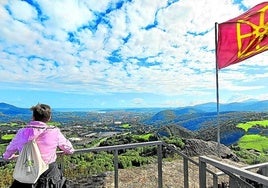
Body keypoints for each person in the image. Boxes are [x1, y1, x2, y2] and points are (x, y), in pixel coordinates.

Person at [3, 103, 74, 188]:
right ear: (49, 118)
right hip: (49, 175)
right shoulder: (54, 131)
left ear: (33, 117)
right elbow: (69, 149)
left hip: (28, 173)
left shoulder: (22, 132)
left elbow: (8, 153)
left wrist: (10, 156)